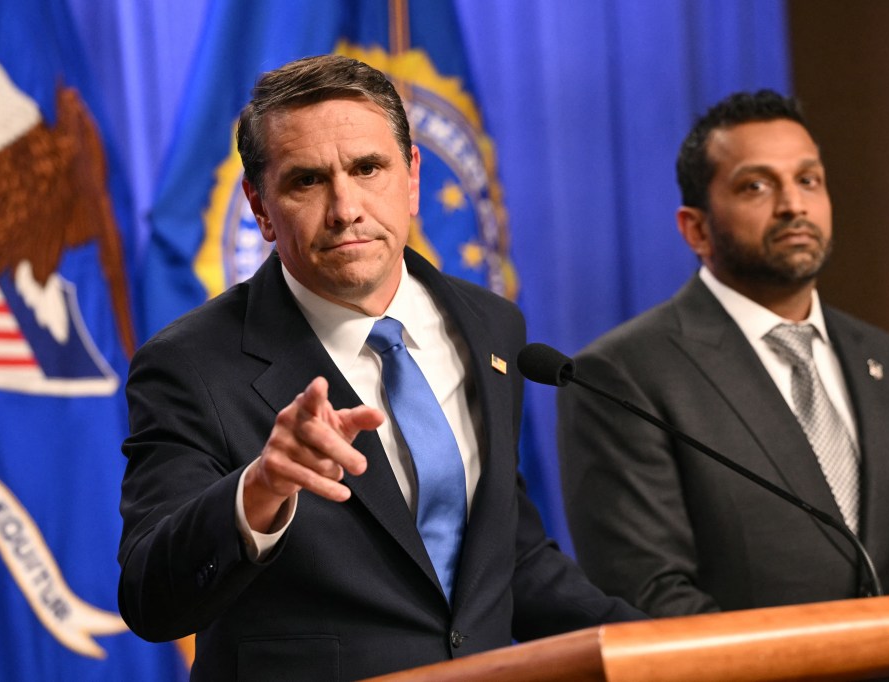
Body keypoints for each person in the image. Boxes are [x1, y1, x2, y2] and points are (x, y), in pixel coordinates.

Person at [118, 55, 642, 681]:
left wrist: (670, 647)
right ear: (260, 206)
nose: (345, 208)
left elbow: (509, 560)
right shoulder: (190, 365)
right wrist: (260, 489)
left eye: (368, 168)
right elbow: (150, 597)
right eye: (307, 180)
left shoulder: (490, 326)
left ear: (412, 176)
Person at [558, 90, 889, 617]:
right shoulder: (623, 376)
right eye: (756, 186)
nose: (793, 205)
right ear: (696, 228)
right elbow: (651, 595)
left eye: (808, 180)